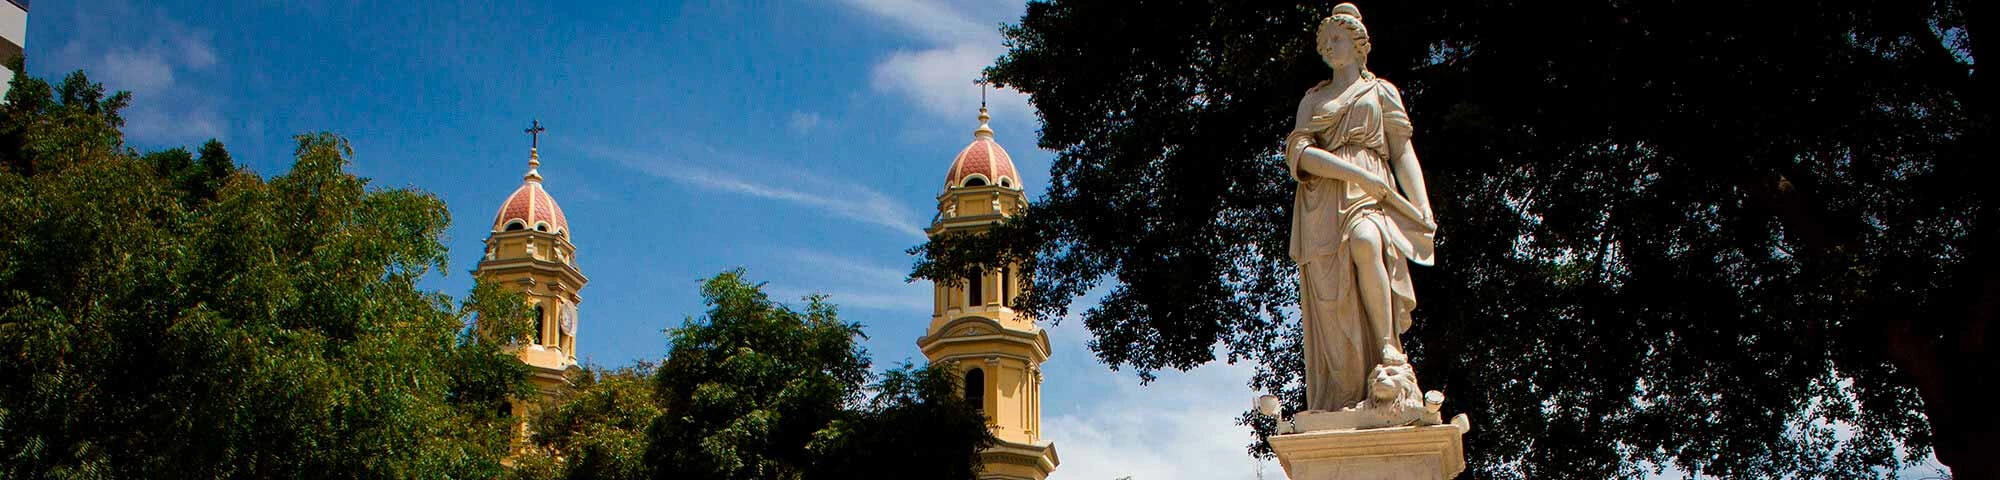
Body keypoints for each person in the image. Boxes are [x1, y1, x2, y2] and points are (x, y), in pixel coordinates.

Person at [1284, 3, 1438, 412]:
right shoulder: (1314, 99)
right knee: (1332, 302)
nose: (1330, 46)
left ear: (1358, 45)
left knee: (1367, 242)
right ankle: (1345, 388)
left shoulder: (1380, 91)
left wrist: (1421, 206)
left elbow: (1402, 152)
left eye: (1338, 39)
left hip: (1371, 193)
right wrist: (1352, 173)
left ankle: (1388, 349)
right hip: (1322, 202)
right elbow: (1299, 154)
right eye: (1325, 41)